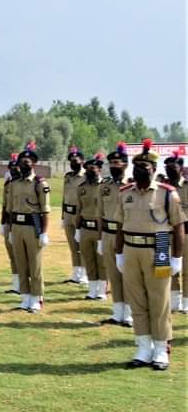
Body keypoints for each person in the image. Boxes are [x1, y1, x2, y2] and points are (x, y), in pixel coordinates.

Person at [115, 138, 183, 371]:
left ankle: (161, 349)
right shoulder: (125, 193)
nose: (140, 170)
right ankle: (143, 347)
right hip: (131, 249)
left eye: (145, 167)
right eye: (137, 167)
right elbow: (119, 225)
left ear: (154, 170)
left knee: (159, 302)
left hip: (160, 247)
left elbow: (178, 227)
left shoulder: (167, 194)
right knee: (137, 300)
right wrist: (118, 254)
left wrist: (176, 257)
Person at [6, 142, 51, 312]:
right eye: (22, 160)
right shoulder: (14, 183)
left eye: (29, 160)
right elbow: (10, 209)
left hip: (33, 226)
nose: (25, 162)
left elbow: (45, 210)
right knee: (21, 263)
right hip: (16, 226)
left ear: (34, 163)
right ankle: (25, 297)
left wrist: (44, 233)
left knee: (35, 264)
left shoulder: (39, 183)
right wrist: (9, 230)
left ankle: (37, 297)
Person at [98, 143, 134, 326]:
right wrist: (99, 238)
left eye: (117, 162)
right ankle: (117, 312)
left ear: (126, 165)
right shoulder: (104, 185)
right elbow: (99, 213)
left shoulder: (132, 185)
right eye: (111, 162)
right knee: (113, 273)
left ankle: (129, 312)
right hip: (107, 234)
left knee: (127, 274)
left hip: (126, 236)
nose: (113, 166)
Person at [159, 150, 188, 314]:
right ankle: (174, 301)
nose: (170, 170)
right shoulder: (163, 187)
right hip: (164, 233)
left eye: (173, 167)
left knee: (187, 269)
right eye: (167, 167)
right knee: (166, 269)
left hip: (186, 233)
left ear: (181, 168)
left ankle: (186, 303)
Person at [76, 153, 106, 300]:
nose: (89, 171)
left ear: (99, 169)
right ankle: (92, 289)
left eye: (92, 168)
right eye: (87, 168)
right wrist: (77, 229)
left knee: (102, 261)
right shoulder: (82, 187)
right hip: (85, 228)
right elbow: (78, 210)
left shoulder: (105, 187)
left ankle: (101, 291)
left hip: (100, 229)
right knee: (88, 259)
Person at [62, 146, 88, 283]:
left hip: (80, 214)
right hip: (68, 213)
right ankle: (75, 272)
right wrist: (62, 216)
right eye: (71, 160)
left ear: (82, 161)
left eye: (76, 160)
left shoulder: (86, 177)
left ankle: (84, 273)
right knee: (73, 246)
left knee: (82, 246)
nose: (73, 162)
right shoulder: (68, 177)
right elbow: (64, 196)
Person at [0, 153, 22, 293]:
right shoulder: (8, 185)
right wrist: (2, 223)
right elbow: (4, 205)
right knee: (12, 256)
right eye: (11, 168)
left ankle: (25, 284)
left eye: (16, 167)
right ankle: (16, 285)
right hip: (9, 223)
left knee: (22, 255)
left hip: (21, 224)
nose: (13, 170)